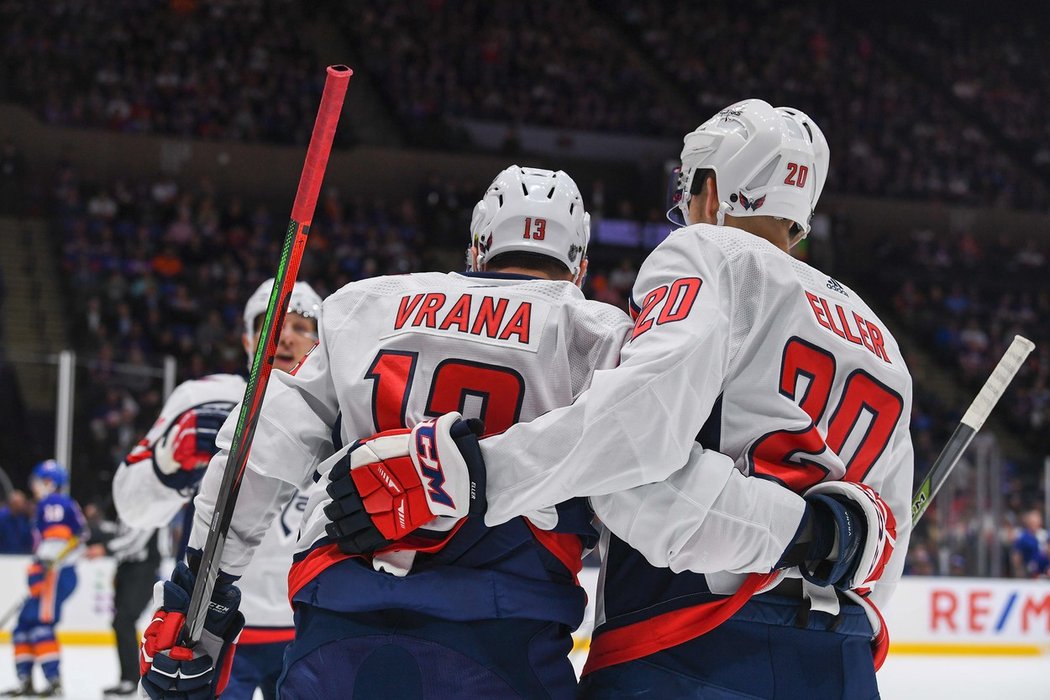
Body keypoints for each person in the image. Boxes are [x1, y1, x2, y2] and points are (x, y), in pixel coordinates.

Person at [329, 100, 914, 699]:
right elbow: (879, 556)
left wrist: (468, 473)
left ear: (712, 194)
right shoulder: (884, 345)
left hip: (682, 648)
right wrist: (817, 539)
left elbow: (635, 442)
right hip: (838, 660)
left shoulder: (710, 255)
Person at [138, 166, 634, 699]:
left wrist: (198, 598)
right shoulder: (603, 336)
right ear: (580, 264)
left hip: (338, 628)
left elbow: (260, 449)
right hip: (505, 636)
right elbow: (642, 506)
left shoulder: (363, 304)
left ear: (477, 247)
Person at [112, 278, 320, 700]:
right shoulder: (203, 400)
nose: (284, 336)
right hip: (212, 629)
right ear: (248, 338)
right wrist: (170, 463)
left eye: (301, 327)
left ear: (322, 342)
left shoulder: (340, 412)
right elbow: (132, 509)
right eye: (271, 323)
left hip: (310, 631)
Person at [3, 461, 85, 698]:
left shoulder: (54, 503)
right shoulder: (53, 503)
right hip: (51, 573)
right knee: (23, 626)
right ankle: (25, 680)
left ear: (50, 482)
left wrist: (42, 568)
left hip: (55, 574)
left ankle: (54, 682)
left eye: (38, 481)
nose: (34, 487)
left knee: (40, 625)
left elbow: (59, 540)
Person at [84, 515, 160, 699]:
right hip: (126, 568)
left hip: (143, 569)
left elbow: (135, 541)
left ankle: (132, 679)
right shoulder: (128, 508)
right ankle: (128, 678)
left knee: (124, 620)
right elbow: (120, 533)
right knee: (120, 622)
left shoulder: (149, 508)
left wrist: (104, 548)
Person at [0, 489, 33, 554]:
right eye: (20, 502)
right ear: (13, 503)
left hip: (22, 557)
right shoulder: (2, 517)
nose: (23, 505)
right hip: (4, 557)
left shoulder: (23, 518)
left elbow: (28, 539)